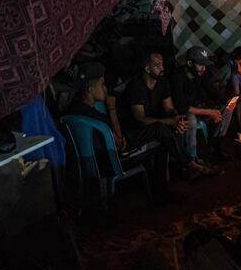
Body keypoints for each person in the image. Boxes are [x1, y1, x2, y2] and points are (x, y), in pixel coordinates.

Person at [67, 61, 184, 203]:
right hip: (112, 161)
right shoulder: (96, 117)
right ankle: (163, 191)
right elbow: (119, 142)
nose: (106, 89)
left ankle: (185, 163)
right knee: (160, 140)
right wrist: (112, 109)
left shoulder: (73, 111)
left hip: (90, 163)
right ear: (90, 89)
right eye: (102, 84)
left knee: (158, 128)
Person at [120, 52, 220, 179]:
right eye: (157, 65)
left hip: (157, 124)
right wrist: (170, 121)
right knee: (162, 128)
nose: (162, 68)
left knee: (179, 123)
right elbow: (141, 120)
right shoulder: (136, 87)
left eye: (162, 65)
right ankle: (190, 166)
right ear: (147, 68)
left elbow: (170, 108)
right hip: (138, 130)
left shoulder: (162, 82)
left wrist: (176, 118)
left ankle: (184, 167)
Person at [170, 46, 234, 160]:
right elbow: (181, 106)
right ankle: (192, 159)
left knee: (227, 108)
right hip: (183, 111)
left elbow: (212, 91)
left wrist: (226, 101)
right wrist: (209, 112)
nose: (203, 69)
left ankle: (214, 145)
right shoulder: (178, 76)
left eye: (204, 65)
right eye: (200, 65)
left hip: (199, 107)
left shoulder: (202, 73)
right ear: (189, 63)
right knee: (192, 120)